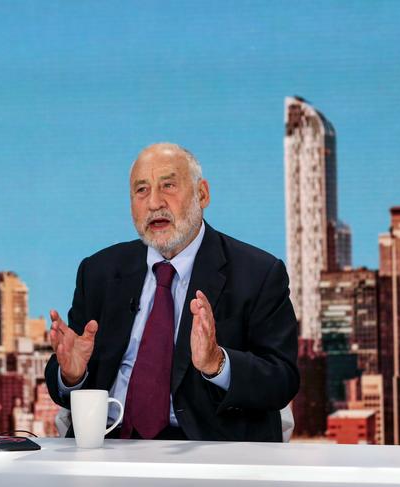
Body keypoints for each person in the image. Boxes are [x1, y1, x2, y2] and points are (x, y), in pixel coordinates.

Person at [45, 143, 299, 441]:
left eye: (168, 185)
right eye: (141, 190)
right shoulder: (99, 271)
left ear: (202, 194)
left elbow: (282, 379)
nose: (154, 203)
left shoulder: (257, 273)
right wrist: (72, 376)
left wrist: (218, 363)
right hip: (108, 444)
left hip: (206, 450)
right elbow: (68, 369)